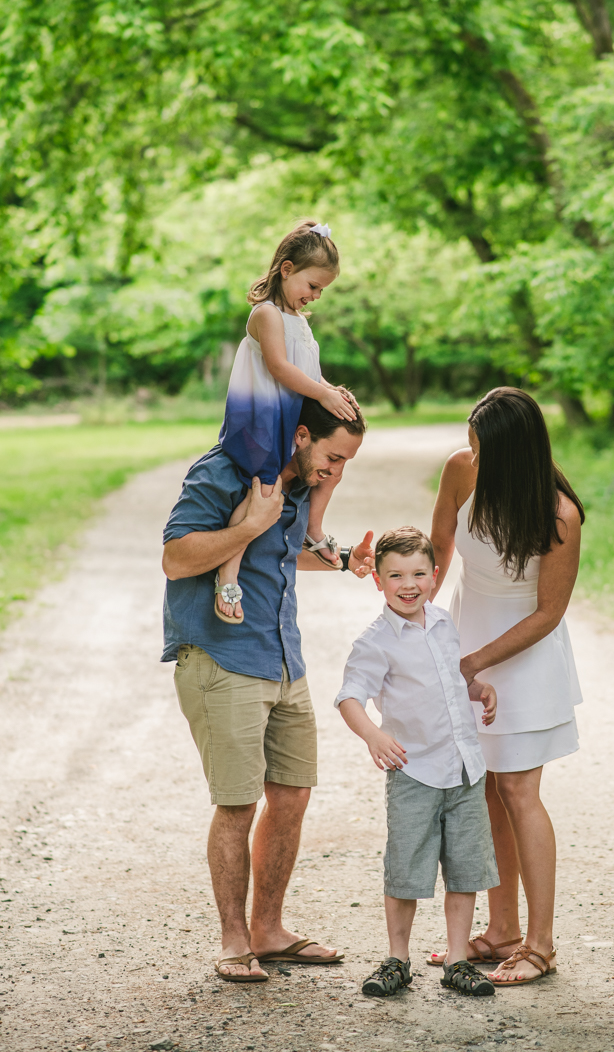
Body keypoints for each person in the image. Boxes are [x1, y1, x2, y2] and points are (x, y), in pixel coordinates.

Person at [161, 395, 374, 984]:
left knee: (293, 795)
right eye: (332, 456)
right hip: (222, 657)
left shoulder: (299, 486)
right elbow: (177, 559)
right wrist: (251, 522)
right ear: (301, 435)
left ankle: (268, 931)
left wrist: (341, 562)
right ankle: (233, 943)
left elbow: (276, 555)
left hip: (284, 658)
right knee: (237, 802)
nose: (334, 471)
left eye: (345, 463)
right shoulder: (222, 472)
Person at [428, 387, 584, 986]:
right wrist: (415, 614)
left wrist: (476, 663)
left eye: (485, 451)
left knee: (519, 791)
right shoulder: (462, 470)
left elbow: (547, 614)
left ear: (516, 455)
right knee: (486, 791)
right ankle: (501, 932)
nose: (474, 458)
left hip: (525, 655)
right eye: (471, 446)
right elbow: (440, 549)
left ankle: (540, 946)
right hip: (468, 631)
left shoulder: (558, 514)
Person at [335, 526, 500, 999]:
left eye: (418, 574)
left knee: (465, 868)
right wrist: (372, 734)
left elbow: (450, 680)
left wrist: (477, 688)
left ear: (433, 576)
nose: (408, 584)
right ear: (379, 581)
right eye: (396, 575)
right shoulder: (376, 641)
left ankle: (457, 960)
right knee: (407, 867)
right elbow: (349, 696)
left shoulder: (445, 624)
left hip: (464, 768)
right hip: (415, 771)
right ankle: (398, 959)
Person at [215, 219, 356, 625]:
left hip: (289, 419)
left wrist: (333, 390)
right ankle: (229, 570)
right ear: (287, 269)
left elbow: (308, 371)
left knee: (332, 465)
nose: (314, 296)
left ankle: (313, 528)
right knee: (264, 490)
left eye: (321, 291)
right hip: (261, 418)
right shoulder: (267, 315)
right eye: (312, 286)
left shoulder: (301, 322)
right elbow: (279, 367)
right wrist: (321, 393)